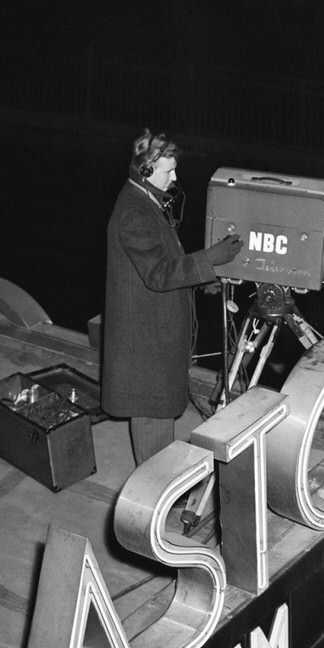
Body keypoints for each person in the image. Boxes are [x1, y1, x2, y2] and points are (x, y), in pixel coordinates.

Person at [102, 129, 243, 467]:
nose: (176, 177)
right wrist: (211, 258)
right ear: (146, 171)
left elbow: (159, 266)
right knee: (153, 424)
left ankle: (161, 490)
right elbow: (160, 274)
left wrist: (200, 280)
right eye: (169, 171)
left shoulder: (144, 200)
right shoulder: (135, 213)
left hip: (150, 338)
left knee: (159, 421)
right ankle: (155, 498)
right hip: (145, 348)